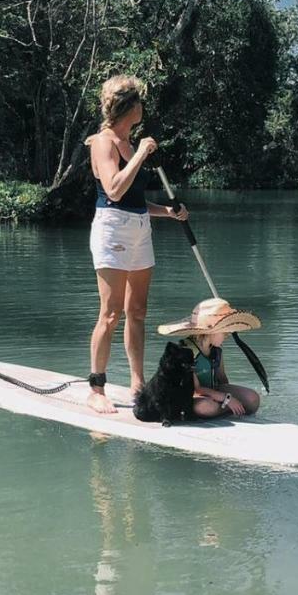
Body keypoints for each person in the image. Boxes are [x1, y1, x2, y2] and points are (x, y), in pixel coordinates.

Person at [85, 75, 188, 414]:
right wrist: (142, 152)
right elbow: (114, 190)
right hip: (112, 229)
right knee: (111, 313)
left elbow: (135, 199)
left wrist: (168, 212)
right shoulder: (104, 141)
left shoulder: (130, 143)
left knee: (137, 312)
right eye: (140, 101)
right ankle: (97, 388)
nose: (144, 107)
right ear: (130, 106)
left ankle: (137, 383)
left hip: (140, 228)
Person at [157, 298, 261, 418]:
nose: (227, 335)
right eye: (224, 331)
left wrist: (228, 396)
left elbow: (222, 380)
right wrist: (227, 399)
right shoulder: (186, 352)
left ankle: (227, 408)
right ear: (209, 332)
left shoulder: (216, 350)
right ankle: (230, 408)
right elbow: (197, 389)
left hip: (213, 391)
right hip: (192, 395)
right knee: (206, 407)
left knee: (253, 399)